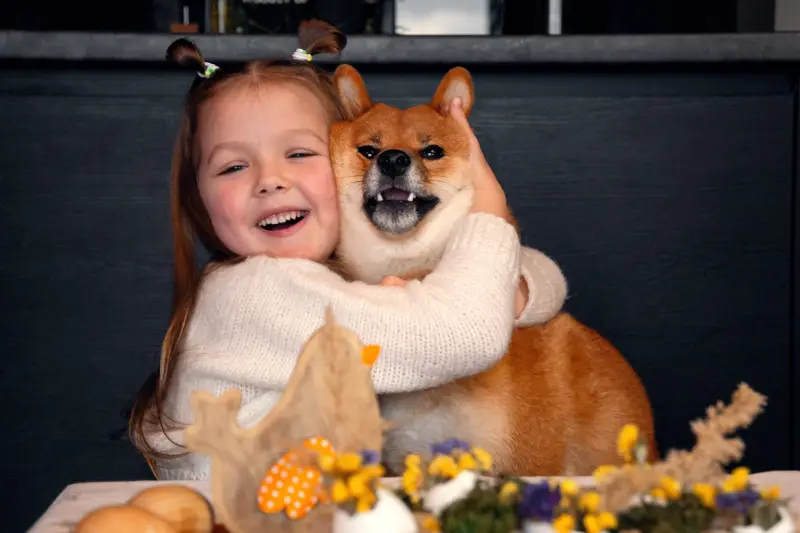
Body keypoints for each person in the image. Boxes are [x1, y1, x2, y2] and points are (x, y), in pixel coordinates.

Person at [128, 20, 567, 480]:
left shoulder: (323, 280)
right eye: (234, 166)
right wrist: (491, 211)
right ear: (198, 198)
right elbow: (465, 334)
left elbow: (541, 279)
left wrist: (512, 289)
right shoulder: (257, 292)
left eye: (299, 154)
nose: (270, 180)